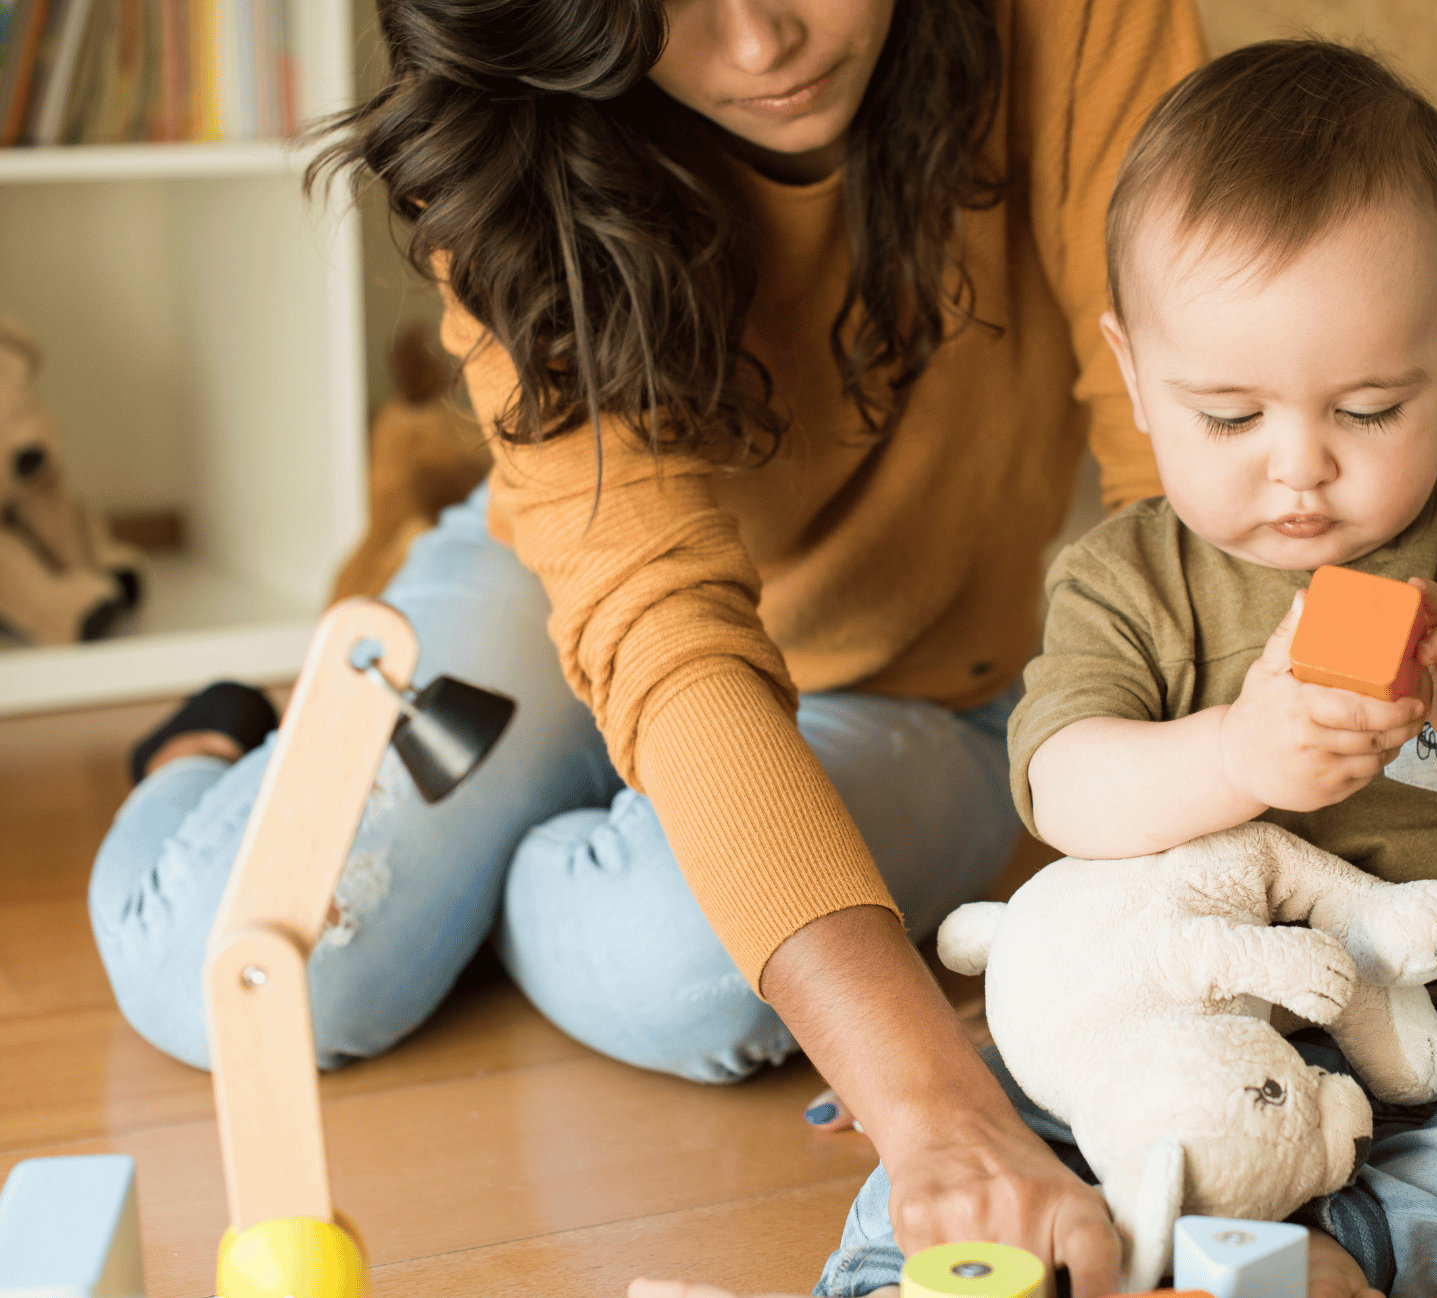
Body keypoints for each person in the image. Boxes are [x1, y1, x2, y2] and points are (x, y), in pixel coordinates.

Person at [86, 3, 1208, 1294]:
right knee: (226, 978)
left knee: (684, 971)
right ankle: (208, 738)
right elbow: (659, 622)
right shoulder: (510, 122)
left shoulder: (1081, 23)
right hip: (567, 591)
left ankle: (519, 853)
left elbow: (1178, 470)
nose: (761, 43)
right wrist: (937, 1109)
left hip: (910, 676)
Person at [794, 40, 1437, 1298]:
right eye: (1230, 417)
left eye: (1368, 409)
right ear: (1133, 376)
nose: (1300, 467)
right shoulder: (1126, 577)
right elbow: (1061, 785)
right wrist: (1237, 752)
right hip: (1179, 1018)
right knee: (990, 1106)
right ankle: (905, 1277)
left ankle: (1328, 1251)